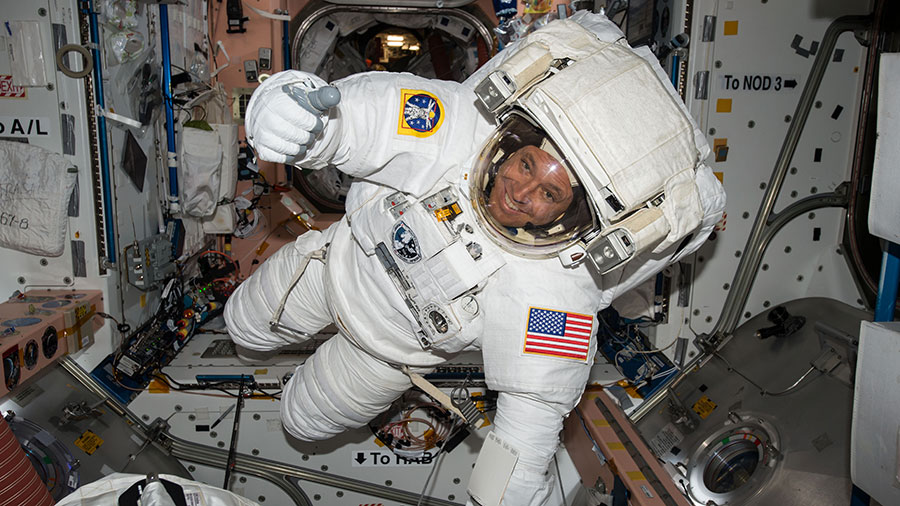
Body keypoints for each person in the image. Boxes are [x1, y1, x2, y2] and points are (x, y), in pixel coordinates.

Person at [225, 10, 725, 505]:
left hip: (382, 355)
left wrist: (501, 497)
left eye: (549, 194)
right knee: (241, 325)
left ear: (571, 213)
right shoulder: (459, 132)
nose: (522, 192)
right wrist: (295, 117)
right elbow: (357, 119)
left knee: (301, 421)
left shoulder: (556, 287)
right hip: (328, 270)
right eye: (526, 165)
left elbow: (529, 423)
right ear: (511, 146)